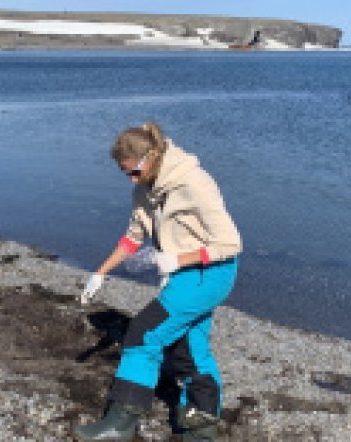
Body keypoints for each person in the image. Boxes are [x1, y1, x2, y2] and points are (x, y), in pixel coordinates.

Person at [75, 122, 241, 442]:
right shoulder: (143, 188)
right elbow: (133, 237)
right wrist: (100, 272)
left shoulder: (195, 183)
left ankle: (120, 424)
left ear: (151, 156)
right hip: (182, 275)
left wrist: (178, 259)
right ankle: (203, 424)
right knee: (188, 347)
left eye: (134, 172)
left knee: (143, 332)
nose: (131, 180)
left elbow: (231, 244)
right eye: (126, 174)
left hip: (210, 274)